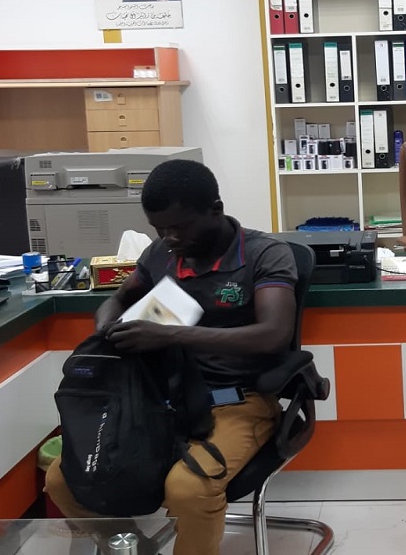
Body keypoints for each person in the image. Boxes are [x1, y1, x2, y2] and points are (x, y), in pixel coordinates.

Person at [45, 159, 297, 555]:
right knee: (63, 480)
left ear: (215, 210)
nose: (169, 237)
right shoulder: (161, 253)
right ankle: (132, 548)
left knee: (189, 488)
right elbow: (117, 299)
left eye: (179, 227)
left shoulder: (265, 254)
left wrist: (167, 334)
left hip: (236, 399)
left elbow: (274, 334)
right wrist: (107, 330)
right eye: (159, 228)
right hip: (158, 398)